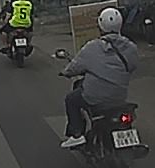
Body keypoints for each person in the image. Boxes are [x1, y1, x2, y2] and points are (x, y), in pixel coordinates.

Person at [59, 8, 138, 148]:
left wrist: (65, 72)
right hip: (119, 97)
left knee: (71, 99)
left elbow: (75, 67)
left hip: (94, 97)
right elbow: (132, 66)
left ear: (100, 25)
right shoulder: (130, 47)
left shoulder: (92, 47)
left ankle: (77, 134)